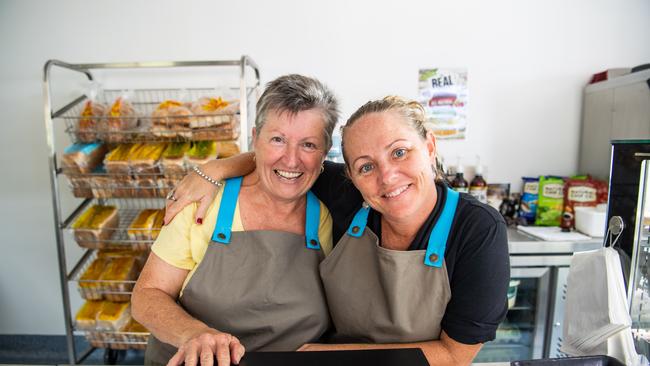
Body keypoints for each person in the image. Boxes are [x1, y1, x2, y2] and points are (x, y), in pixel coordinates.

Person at [165, 96, 510, 366]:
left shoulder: (477, 230)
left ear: (430, 147)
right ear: (351, 176)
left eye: (400, 152)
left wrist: (327, 356)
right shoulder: (349, 197)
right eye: (366, 167)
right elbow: (281, 161)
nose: (387, 176)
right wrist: (210, 171)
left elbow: (454, 356)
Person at [131, 74, 339, 366]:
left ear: (325, 152)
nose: (291, 161)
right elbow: (146, 295)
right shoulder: (204, 204)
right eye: (277, 140)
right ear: (255, 139)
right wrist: (193, 333)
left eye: (308, 144)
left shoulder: (327, 217)